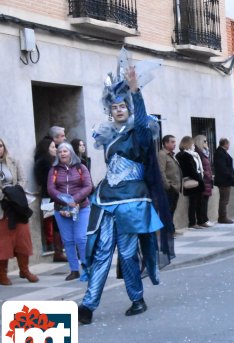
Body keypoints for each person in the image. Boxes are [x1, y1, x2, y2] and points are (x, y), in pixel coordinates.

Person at [78, 49, 171, 324]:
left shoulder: (140, 133)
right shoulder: (107, 137)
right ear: (110, 110)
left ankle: (137, 298)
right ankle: (88, 304)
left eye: (123, 106)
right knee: (101, 250)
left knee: (129, 253)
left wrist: (136, 91)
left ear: (129, 108)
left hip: (132, 200)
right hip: (106, 199)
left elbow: (142, 122)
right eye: (115, 107)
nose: (119, 110)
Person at [0, 137, 38, 285]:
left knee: (22, 239)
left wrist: (14, 192)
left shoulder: (14, 162)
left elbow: (23, 180)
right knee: (1, 243)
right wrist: (3, 195)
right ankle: (2, 274)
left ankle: (25, 270)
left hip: (17, 205)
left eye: (0, 145)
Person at [47, 143, 93, 281]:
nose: (62, 153)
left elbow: (88, 186)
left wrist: (75, 199)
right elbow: (51, 189)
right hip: (61, 209)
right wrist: (65, 200)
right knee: (67, 240)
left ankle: (87, 268)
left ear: (71, 152)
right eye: (60, 151)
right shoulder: (53, 170)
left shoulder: (81, 167)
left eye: (65, 151)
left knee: (81, 238)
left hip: (82, 207)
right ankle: (74, 270)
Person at [34, 138, 63, 257]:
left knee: (54, 222)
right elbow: (50, 181)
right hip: (48, 197)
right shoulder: (44, 162)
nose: (55, 149)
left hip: (50, 196)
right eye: (52, 147)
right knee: (51, 222)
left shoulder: (49, 161)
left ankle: (57, 249)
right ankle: (55, 249)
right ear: (46, 149)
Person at [177, 136, 205, 229]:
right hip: (192, 180)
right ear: (187, 144)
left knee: (200, 202)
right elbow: (190, 170)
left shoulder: (194, 154)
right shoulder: (184, 156)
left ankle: (201, 221)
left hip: (198, 178)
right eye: (192, 144)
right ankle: (192, 222)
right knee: (193, 202)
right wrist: (199, 179)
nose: (194, 146)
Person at [213, 137, 234, 224]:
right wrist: (230, 175)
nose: (229, 146)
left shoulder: (222, 152)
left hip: (226, 179)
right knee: (224, 200)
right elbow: (222, 167)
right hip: (224, 180)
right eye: (228, 144)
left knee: (225, 199)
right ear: (225, 144)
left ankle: (223, 216)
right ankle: (222, 217)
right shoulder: (220, 153)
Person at [158, 134, 182, 216]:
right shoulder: (162, 154)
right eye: (172, 142)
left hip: (175, 188)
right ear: (165, 143)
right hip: (169, 188)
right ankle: (167, 228)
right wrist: (167, 186)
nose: (175, 144)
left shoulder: (171, 155)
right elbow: (161, 171)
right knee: (167, 211)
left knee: (172, 209)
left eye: (174, 142)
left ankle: (170, 227)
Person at [195, 135, 214, 227]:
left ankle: (205, 219)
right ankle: (202, 220)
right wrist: (207, 175)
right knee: (202, 202)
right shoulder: (198, 153)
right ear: (200, 142)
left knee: (205, 201)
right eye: (205, 141)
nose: (207, 143)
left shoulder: (205, 153)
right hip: (203, 180)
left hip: (207, 180)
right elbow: (201, 168)